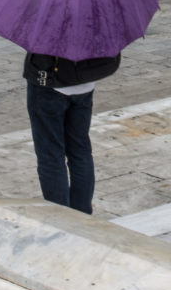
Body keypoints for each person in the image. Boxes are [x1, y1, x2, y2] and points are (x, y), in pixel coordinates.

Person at [23, 52, 120, 215]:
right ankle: (82, 215)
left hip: (50, 83)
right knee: (80, 151)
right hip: (85, 83)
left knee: (51, 156)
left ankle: (62, 219)